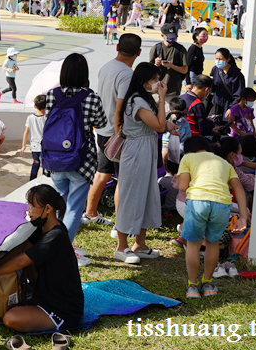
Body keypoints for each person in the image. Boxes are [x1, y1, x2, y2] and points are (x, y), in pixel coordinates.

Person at [0, 185, 83, 334]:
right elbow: (22, 249)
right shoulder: (44, 229)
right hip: (46, 297)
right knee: (30, 260)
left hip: (62, 311)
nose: (28, 210)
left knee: (10, 318)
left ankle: (47, 313)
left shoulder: (55, 236)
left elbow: (20, 261)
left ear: (48, 209)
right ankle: (37, 298)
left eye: (32, 206)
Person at [42, 53, 108, 245]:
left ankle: (50, 244)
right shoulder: (91, 97)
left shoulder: (52, 95)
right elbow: (101, 122)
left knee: (57, 208)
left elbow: (47, 120)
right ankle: (63, 248)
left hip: (54, 159)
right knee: (73, 209)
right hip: (81, 160)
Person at [177, 136, 249, 299]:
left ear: (190, 150)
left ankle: (193, 286)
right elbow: (238, 188)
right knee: (212, 243)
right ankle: (208, 284)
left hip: (198, 202)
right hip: (222, 204)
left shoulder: (188, 157)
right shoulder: (224, 163)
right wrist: (243, 216)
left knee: (193, 245)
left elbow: (182, 186)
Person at [82, 33, 140, 227]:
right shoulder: (127, 74)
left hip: (102, 130)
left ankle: (90, 213)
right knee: (122, 178)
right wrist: (119, 132)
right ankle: (120, 223)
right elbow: (120, 107)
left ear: (117, 47)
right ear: (139, 52)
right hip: (117, 133)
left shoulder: (106, 67)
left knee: (103, 172)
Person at [113, 63, 166, 264]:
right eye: (154, 79)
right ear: (143, 82)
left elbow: (156, 123)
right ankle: (121, 246)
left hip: (144, 151)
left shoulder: (141, 99)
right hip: (136, 153)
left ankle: (140, 244)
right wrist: (162, 99)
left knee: (144, 195)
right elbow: (159, 126)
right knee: (131, 197)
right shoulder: (138, 101)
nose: (158, 83)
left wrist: (168, 123)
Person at [150, 23, 188, 102]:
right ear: (162, 36)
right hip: (156, 89)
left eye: (174, 36)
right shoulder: (156, 48)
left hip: (173, 90)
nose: (172, 39)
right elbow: (149, 70)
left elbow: (184, 70)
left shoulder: (180, 49)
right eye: (169, 37)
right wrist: (156, 64)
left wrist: (171, 66)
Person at [21, 95, 48, 180]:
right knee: (45, 165)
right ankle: (44, 179)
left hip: (34, 146)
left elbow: (26, 132)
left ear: (34, 106)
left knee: (35, 163)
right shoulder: (47, 118)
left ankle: (32, 180)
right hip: (45, 146)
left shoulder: (30, 117)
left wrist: (23, 145)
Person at [209, 48, 244, 114]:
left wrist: (231, 108)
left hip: (229, 107)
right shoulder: (215, 69)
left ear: (227, 60)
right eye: (216, 58)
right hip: (216, 106)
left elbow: (238, 95)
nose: (218, 61)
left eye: (220, 59)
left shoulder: (236, 75)